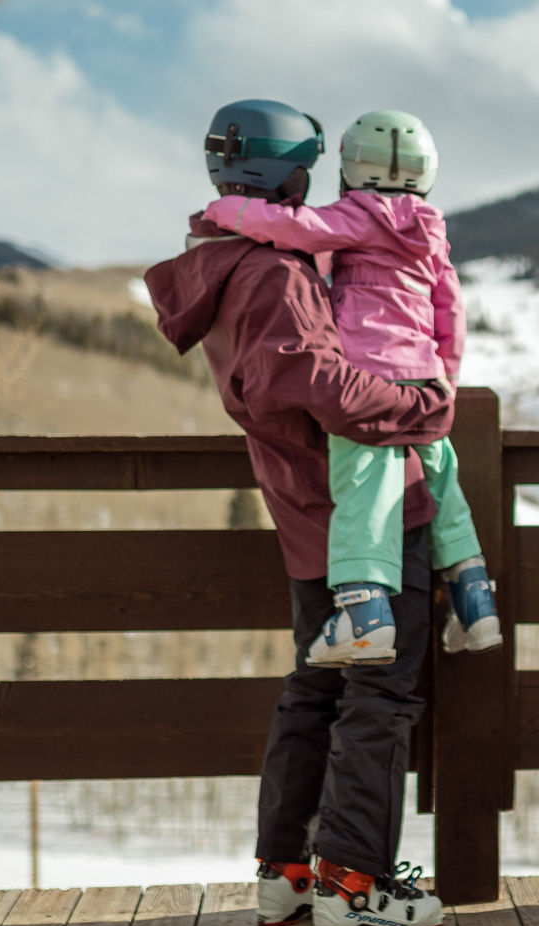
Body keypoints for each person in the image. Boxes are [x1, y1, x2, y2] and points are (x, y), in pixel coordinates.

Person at [144, 98, 455, 926]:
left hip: (301, 512)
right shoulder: (273, 273)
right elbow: (324, 388)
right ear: (291, 174)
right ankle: (353, 884)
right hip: (364, 517)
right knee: (381, 696)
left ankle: (287, 870)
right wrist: (423, 407)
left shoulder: (222, 262)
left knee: (317, 688)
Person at [202, 109, 500, 667]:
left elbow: (298, 230)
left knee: (363, 494)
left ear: (351, 168)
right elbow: (450, 312)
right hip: (425, 380)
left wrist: (230, 211)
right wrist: (445, 383)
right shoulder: (430, 232)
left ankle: (364, 618)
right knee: (444, 487)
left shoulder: (359, 215)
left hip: (367, 376)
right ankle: (476, 603)